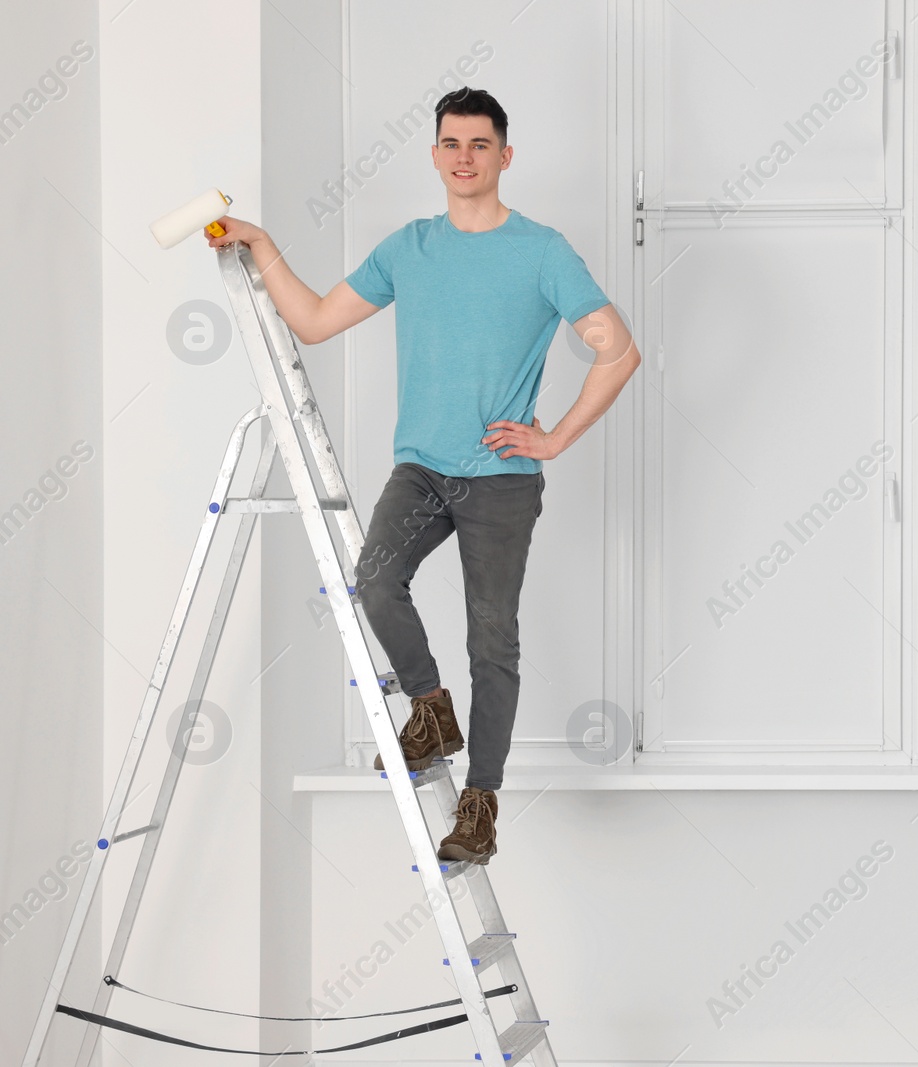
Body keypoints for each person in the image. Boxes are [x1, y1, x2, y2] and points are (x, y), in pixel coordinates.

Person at [207, 86, 639, 865]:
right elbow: (312, 320)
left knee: (492, 640)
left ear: (505, 156)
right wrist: (262, 244)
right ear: (434, 154)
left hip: (501, 481)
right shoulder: (408, 247)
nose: (464, 157)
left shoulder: (542, 251)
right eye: (450, 143)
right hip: (423, 471)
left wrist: (556, 439)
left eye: (479, 144)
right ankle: (430, 710)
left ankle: (480, 802)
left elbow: (620, 350)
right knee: (374, 579)